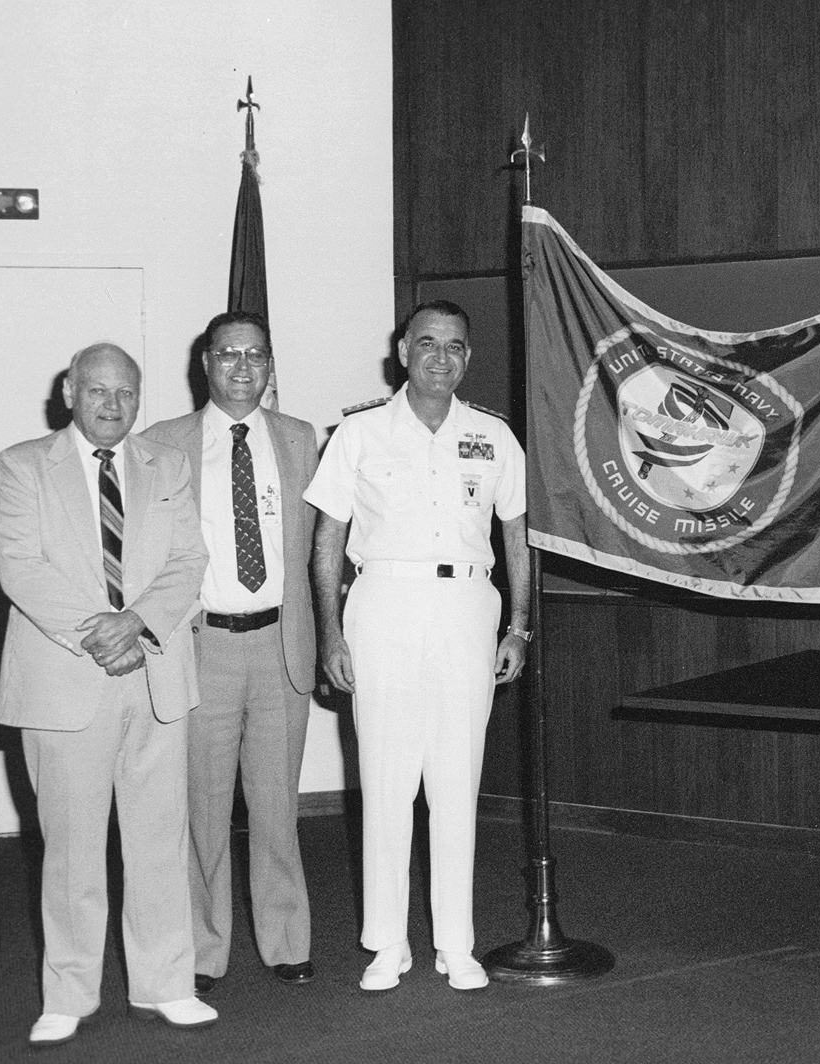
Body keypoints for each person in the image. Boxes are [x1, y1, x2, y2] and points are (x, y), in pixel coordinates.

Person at [0, 344, 216, 1046]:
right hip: (64, 685)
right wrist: (101, 635)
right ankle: (68, 992)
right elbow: (20, 569)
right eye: (96, 390)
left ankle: (166, 983)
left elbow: (189, 561)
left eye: (125, 391)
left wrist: (137, 625)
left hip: (154, 677)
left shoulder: (167, 466)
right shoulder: (22, 465)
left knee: (158, 841)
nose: (112, 404)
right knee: (71, 849)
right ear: (69, 392)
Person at [304, 299, 530, 992]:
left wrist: (518, 625)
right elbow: (325, 545)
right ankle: (387, 943)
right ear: (402, 350)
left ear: (468, 357)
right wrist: (329, 634)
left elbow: (516, 539)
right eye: (426, 343)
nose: (440, 356)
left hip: (467, 608)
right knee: (388, 781)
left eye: (454, 346)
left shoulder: (495, 437)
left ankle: (456, 944)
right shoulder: (359, 433)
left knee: (457, 781)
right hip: (383, 607)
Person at [144, 311, 320, 995]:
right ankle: (202, 951)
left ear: (270, 364)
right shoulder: (163, 443)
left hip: (282, 643)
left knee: (279, 808)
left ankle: (286, 941)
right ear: (205, 364)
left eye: (256, 355)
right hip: (202, 645)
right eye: (228, 355)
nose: (243, 367)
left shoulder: (299, 438)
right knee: (201, 810)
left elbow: (321, 547)